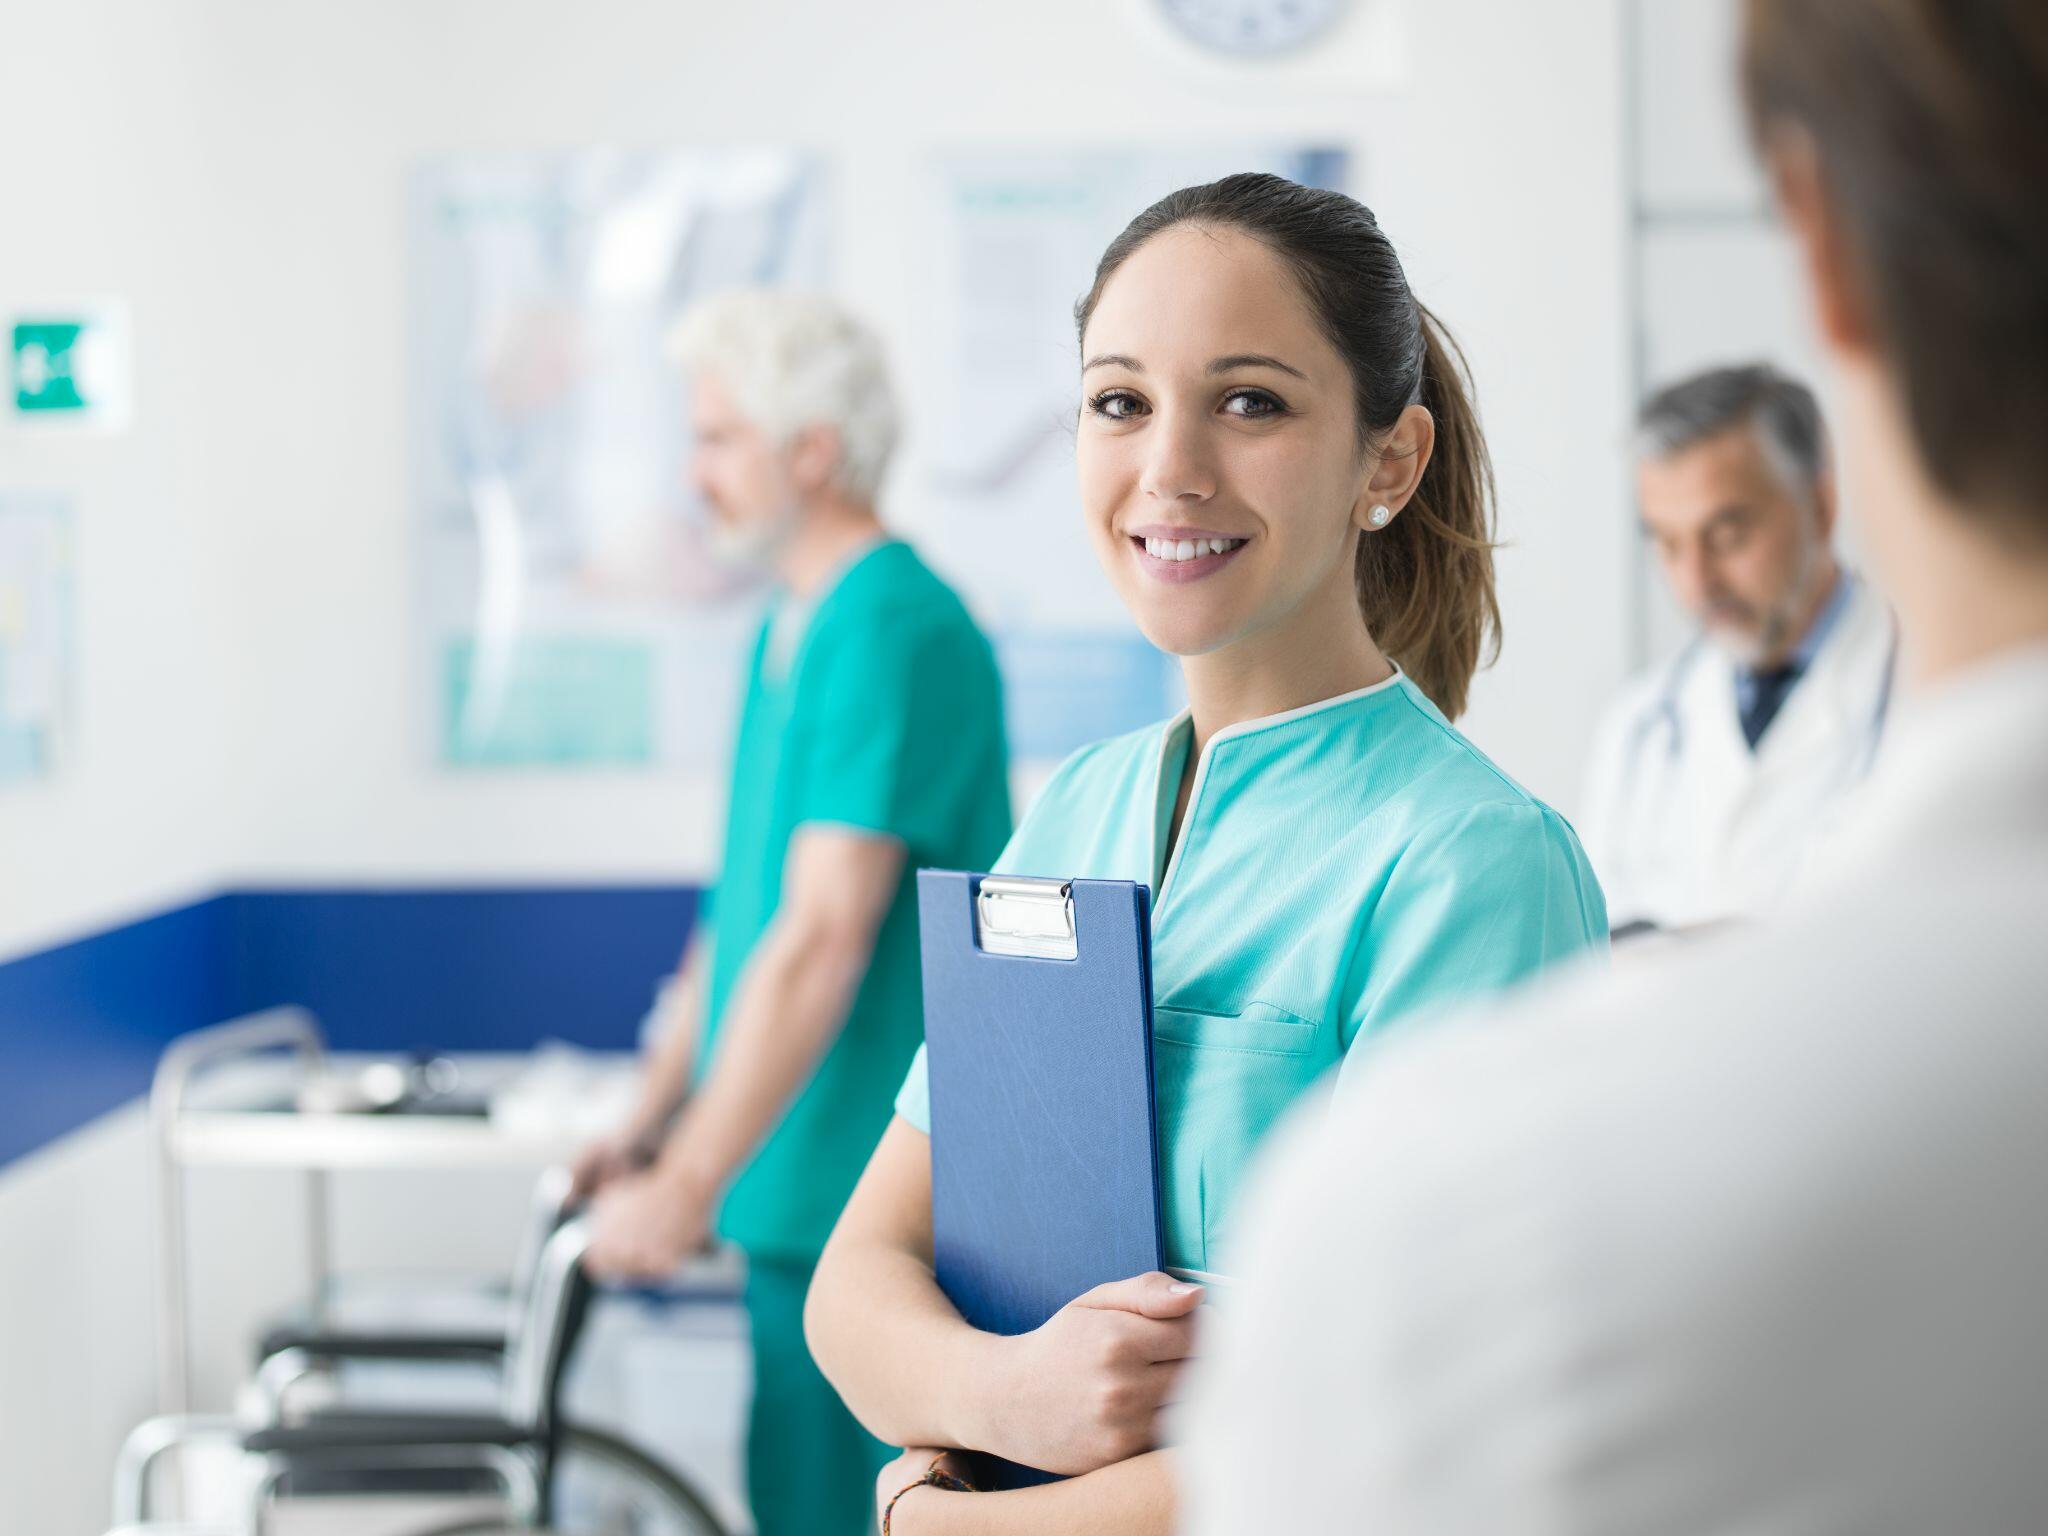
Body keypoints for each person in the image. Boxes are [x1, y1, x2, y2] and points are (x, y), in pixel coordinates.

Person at [1186, 1, 2048, 1530]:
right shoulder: (1643, 728)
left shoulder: (1451, 1217)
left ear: (1828, 261)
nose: (1699, 575)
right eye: (1113, 400)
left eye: (1250, 401)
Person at [803, 173, 1609, 1535]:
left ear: (1388, 464)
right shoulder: (1075, 814)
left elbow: (1403, 1412)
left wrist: (951, 1520)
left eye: (1251, 402)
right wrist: (1011, 1402)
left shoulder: (1474, 868)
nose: (1170, 467)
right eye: (1120, 401)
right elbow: (857, 1284)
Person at [573, 290, 1012, 1536]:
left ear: (810, 450)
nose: (693, 470)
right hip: (790, 1188)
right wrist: (650, 1120)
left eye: (717, 437)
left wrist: (691, 1173)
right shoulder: (792, 623)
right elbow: (743, 918)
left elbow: (823, 937)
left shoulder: (889, 621)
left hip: (869, 1208)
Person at [1579, 363, 1895, 936]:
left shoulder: (1922, 696)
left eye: (1727, 537)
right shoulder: (1637, 727)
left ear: (1820, 509)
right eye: (1669, 545)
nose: (1697, 584)